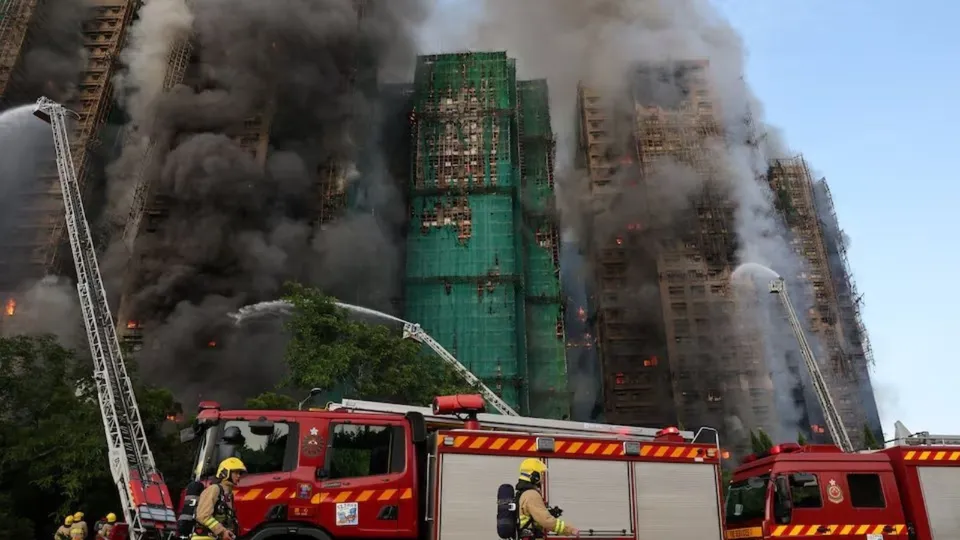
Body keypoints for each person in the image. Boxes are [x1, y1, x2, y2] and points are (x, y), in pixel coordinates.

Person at [515, 458, 579, 538]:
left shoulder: (523, 493)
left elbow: (532, 517)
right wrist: (569, 529)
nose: (542, 477)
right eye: (541, 474)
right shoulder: (531, 495)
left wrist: (549, 512)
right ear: (534, 476)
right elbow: (545, 521)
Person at [191, 457, 246, 540]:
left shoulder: (229, 494)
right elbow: (203, 515)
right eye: (236, 472)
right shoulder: (214, 489)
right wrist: (222, 531)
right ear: (225, 472)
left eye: (240, 473)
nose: (239, 476)